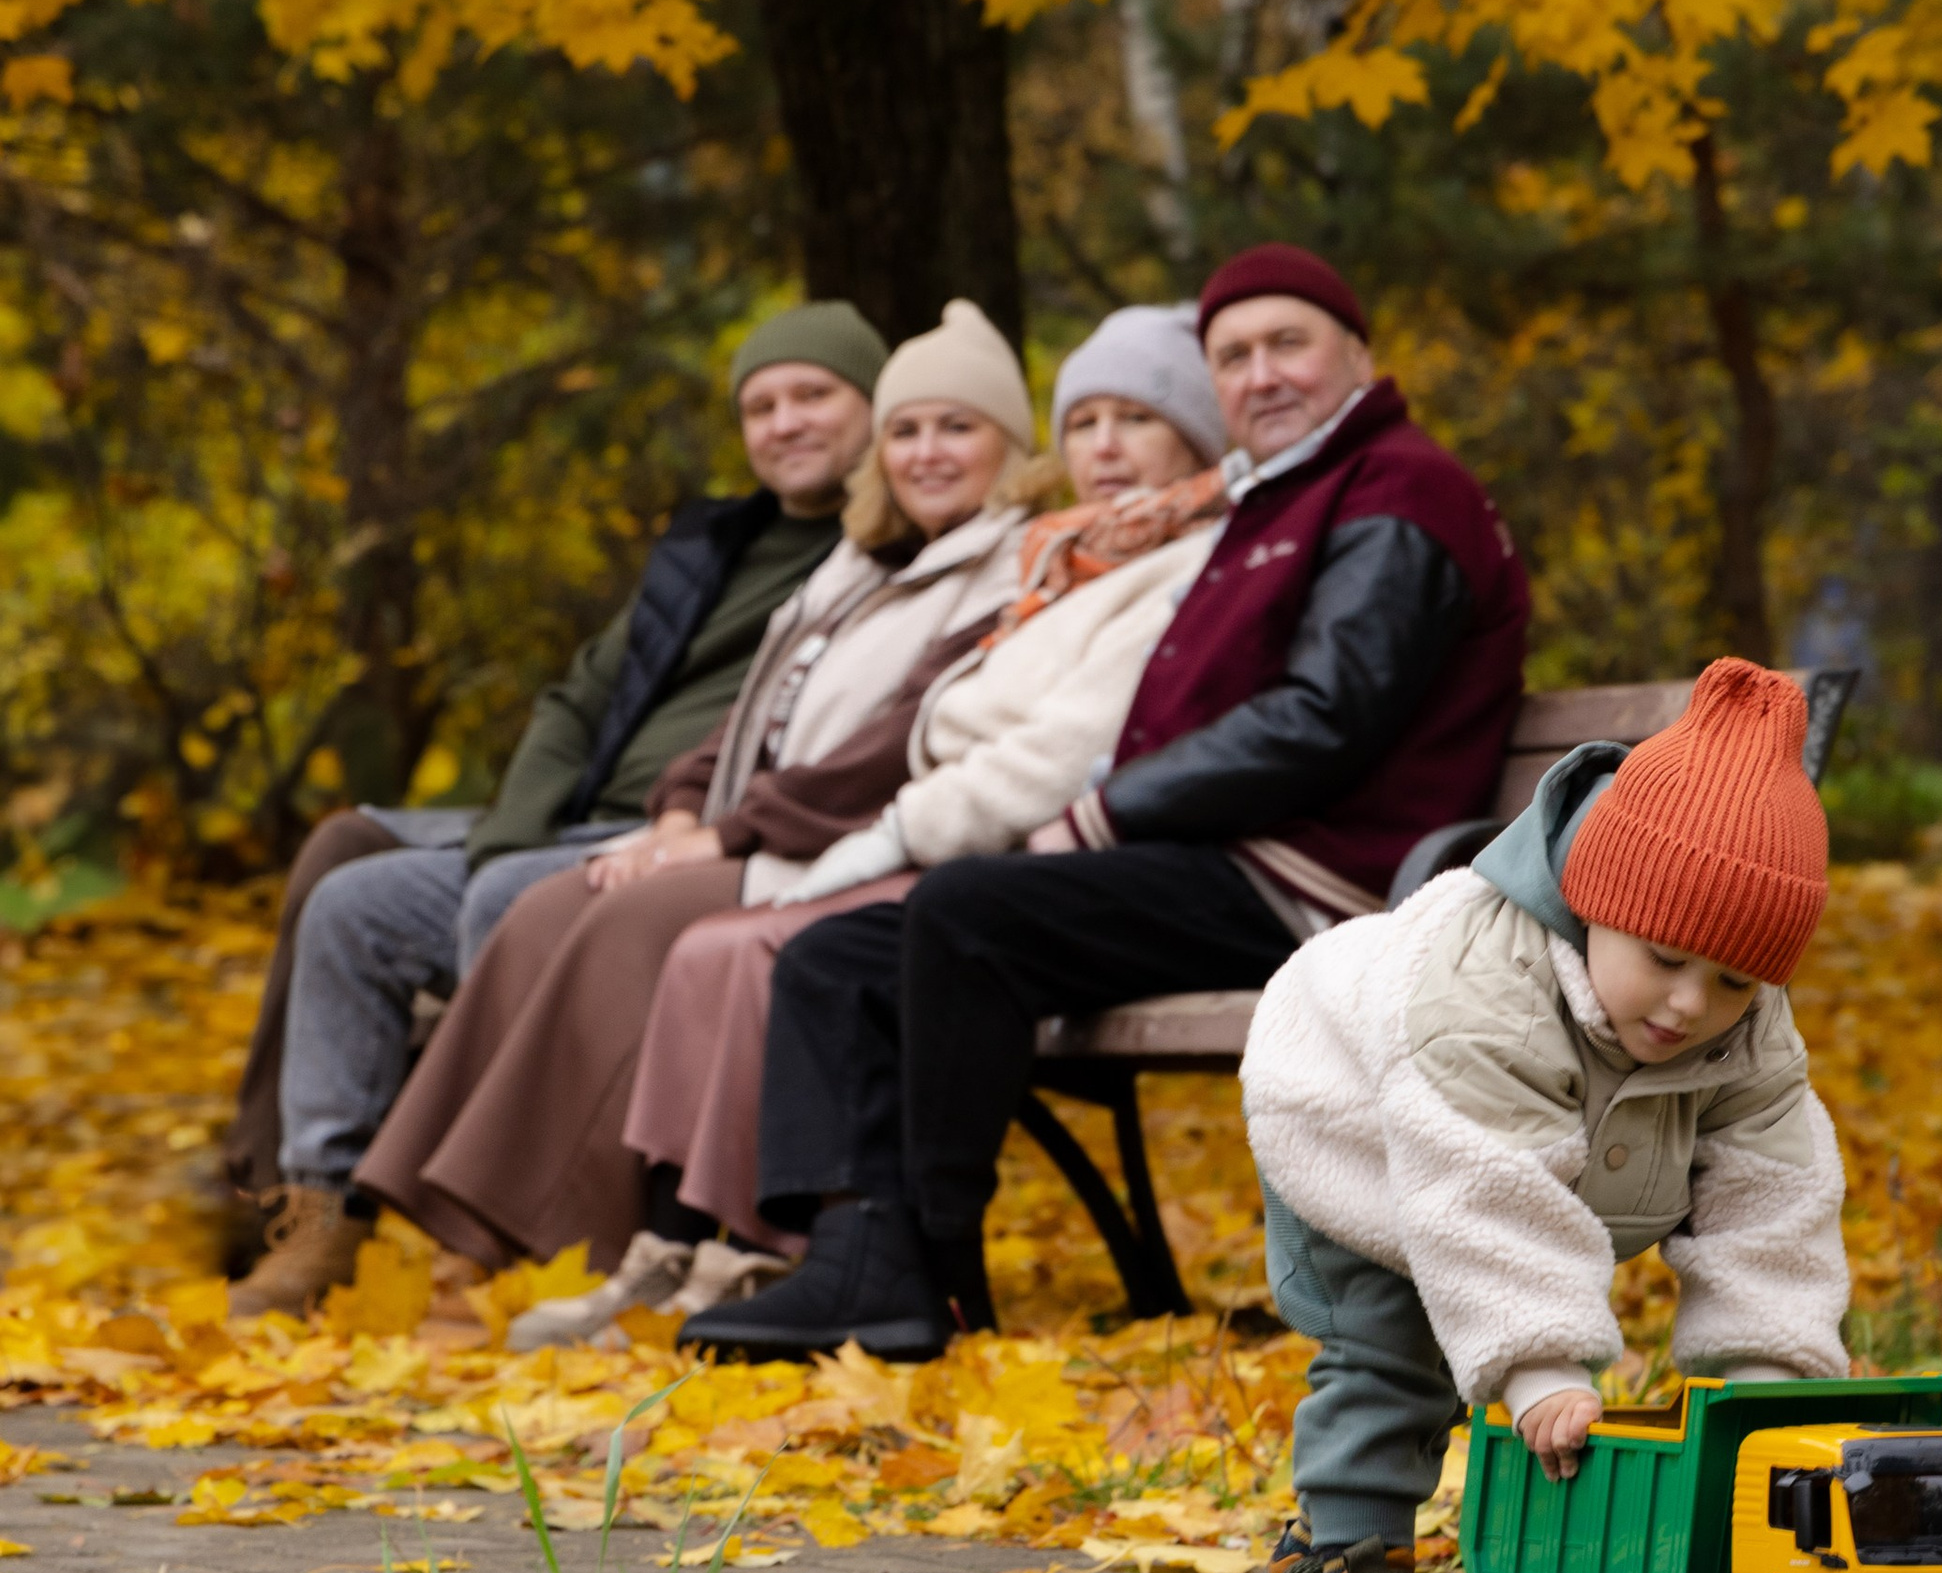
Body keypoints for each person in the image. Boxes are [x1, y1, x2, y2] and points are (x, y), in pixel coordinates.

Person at [682, 240, 1532, 1365]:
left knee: (969, 914)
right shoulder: (1279, 500)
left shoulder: (1400, 488)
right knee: (834, 959)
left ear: (1356, 355)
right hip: (1227, 856)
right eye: (1234, 355)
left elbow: (1325, 717)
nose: (1261, 373)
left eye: (1289, 343)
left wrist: (1103, 813)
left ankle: (931, 1269)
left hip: (1323, 881)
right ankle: (854, 1255)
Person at [353, 299, 1056, 1291]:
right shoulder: (856, 568)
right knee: (552, 901)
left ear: (1012, 445)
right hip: (774, 837)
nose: (926, 453)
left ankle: (557, 1239)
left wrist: (723, 836)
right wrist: (682, 811)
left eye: (957, 428)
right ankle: (464, 1226)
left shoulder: (1011, 568)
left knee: (627, 925)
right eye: (906, 431)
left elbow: (893, 744)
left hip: (865, 850)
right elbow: (746, 721)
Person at [222, 305, 884, 1321]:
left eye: (812, 396)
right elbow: (578, 698)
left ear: (873, 408)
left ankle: (502, 1228)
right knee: (352, 902)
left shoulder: (878, 554)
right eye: (760, 404)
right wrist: (509, 839)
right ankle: (322, 1210)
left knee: (506, 903)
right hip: (577, 827)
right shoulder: (707, 545)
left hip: (694, 845)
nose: (784, 422)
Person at [1234, 656, 1849, 1573]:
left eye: (1734, 981)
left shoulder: (1744, 1024)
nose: (1691, 1005)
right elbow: (1486, 1184)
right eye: (1663, 959)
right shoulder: (1485, 993)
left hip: (1547, 1154)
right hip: (1358, 1127)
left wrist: (1768, 1379)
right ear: (1593, 902)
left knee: (1740, 1177)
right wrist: (1540, 1369)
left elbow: (1773, 1192)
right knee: (1395, 1345)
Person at [596, 304, 1231, 1308]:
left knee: (763, 945)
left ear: (1196, 434)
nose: (1104, 446)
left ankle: (778, 1247)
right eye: (1084, 422)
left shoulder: (1187, 562)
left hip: (1016, 860)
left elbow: (1057, 755)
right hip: (950, 837)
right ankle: (684, 1239)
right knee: (718, 940)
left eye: (1136, 419)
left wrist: (869, 840)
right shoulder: (1066, 558)